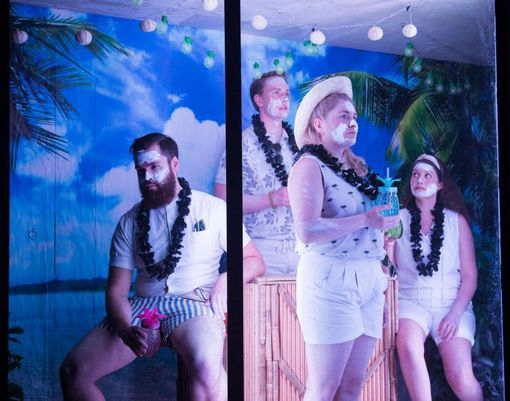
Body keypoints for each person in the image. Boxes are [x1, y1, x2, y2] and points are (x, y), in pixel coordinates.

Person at [60, 133, 265, 401]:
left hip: (195, 301)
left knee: (206, 366)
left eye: (154, 167)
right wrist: (125, 329)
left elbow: (254, 261)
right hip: (143, 304)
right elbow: (117, 292)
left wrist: (227, 279)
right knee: (72, 371)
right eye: (141, 170)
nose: (147, 177)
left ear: (174, 164)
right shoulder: (129, 222)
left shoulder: (214, 209)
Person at [287, 76, 400, 401]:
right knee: (324, 388)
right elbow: (307, 230)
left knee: (351, 387)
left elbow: (375, 233)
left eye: (354, 117)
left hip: (369, 280)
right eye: (343, 117)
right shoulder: (309, 166)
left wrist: (380, 282)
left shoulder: (359, 169)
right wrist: (366, 219)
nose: (352, 123)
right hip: (330, 280)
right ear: (319, 124)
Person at [391, 153, 483, 401]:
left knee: (460, 377)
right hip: (410, 302)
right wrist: (387, 244)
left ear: (440, 184)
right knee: (409, 346)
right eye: (415, 175)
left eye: (427, 175)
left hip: (451, 304)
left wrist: (455, 314)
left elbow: (470, 276)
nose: (419, 180)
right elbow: (389, 271)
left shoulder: (456, 222)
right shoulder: (397, 219)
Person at [214, 71, 300, 275]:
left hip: (300, 250)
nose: (284, 98)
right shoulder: (241, 144)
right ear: (259, 100)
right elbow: (221, 201)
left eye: (287, 93)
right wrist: (271, 199)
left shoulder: (299, 143)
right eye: (277, 93)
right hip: (259, 251)